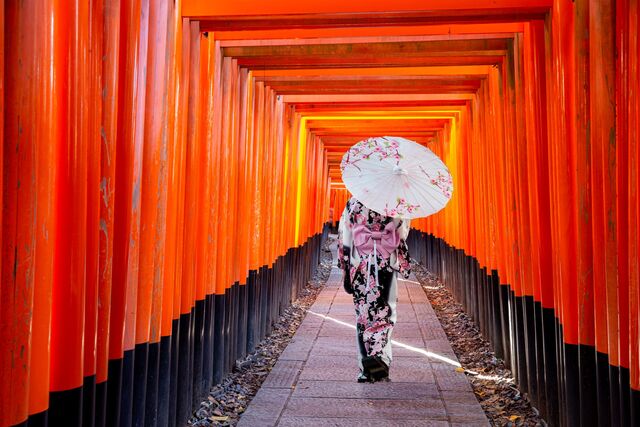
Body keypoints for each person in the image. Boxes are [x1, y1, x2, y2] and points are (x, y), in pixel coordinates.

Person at [337, 197, 411, 383]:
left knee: (363, 315)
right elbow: (402, 234)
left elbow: (344, 235)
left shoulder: (353, 204)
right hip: (386, 263)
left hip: (360, 263)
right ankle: (380, 360)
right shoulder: (397, 203)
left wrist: (345, 267)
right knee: (386, 312)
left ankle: (365, 367)